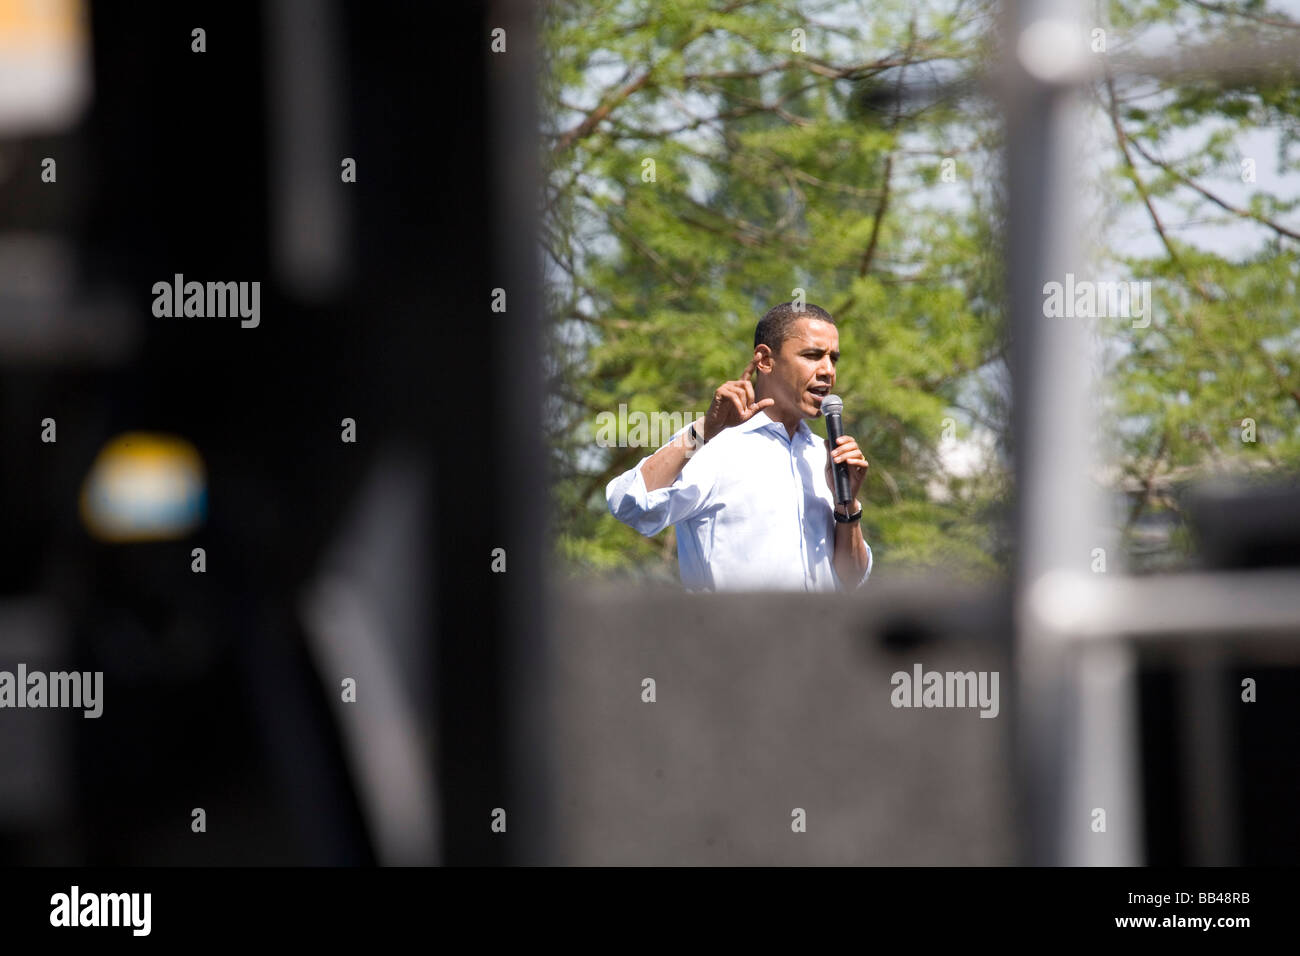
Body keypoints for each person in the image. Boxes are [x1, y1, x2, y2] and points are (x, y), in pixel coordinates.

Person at [606, 302, 873, 592]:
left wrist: (847, 508)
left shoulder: (824, 457)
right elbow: (630, 504)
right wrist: (704, 431)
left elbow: (851, 578)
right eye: (812, 355)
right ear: (765, 360)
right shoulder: (715, 445)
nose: (827, 371)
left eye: (833, 359)